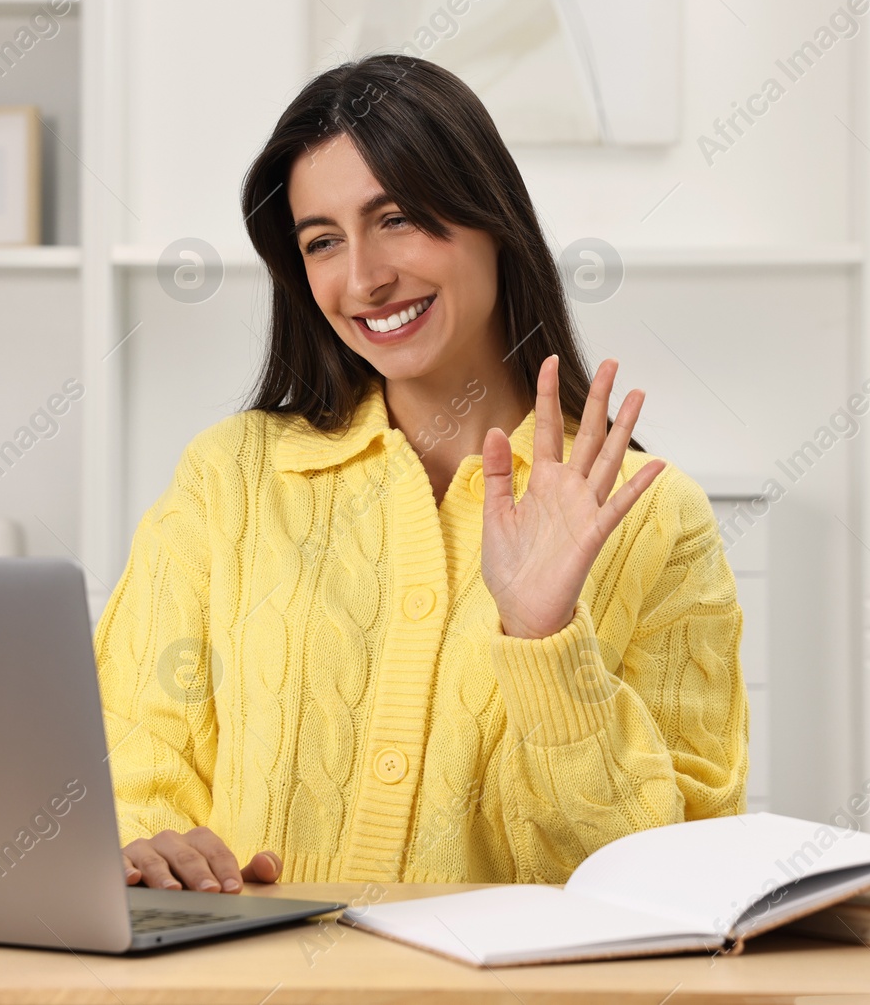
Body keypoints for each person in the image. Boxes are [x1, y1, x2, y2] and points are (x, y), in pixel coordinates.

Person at [94, 54, 747, 894]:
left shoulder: (654, 517)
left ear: (492, 217)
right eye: (322, 241)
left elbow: (672, 885)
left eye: (396, 218)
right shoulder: (230, 480)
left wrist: (545, 643)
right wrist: (143, 855)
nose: (363, 277)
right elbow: (125, 772)